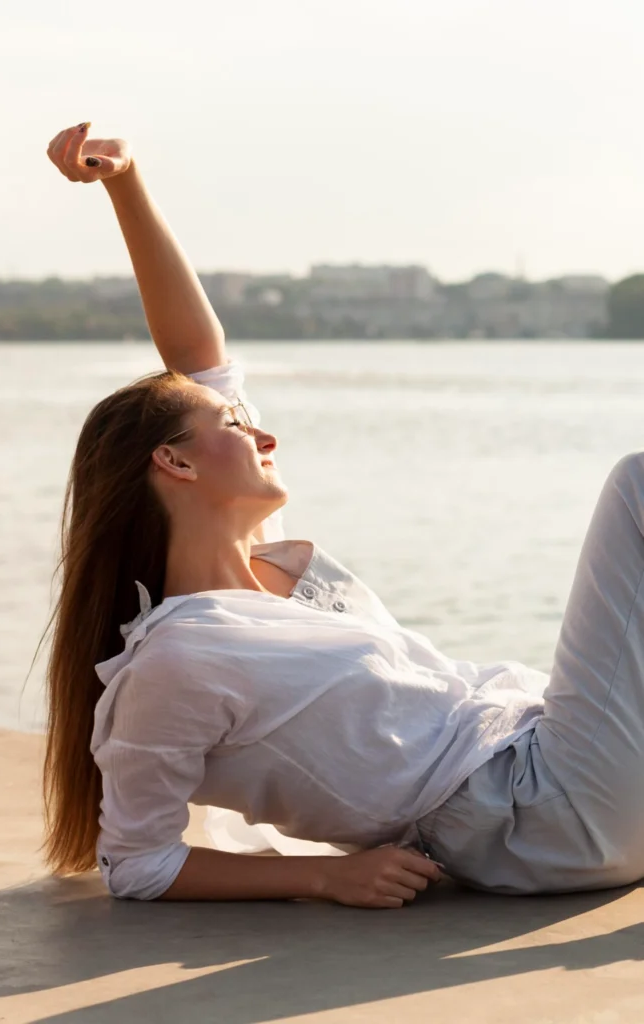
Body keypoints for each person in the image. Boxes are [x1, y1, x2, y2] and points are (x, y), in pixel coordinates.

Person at [42, 121, 644, 907]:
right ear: (175, 463)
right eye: (232, 426)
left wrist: (125, 184)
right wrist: (326, 874)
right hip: (536, 815)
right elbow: (139, 862)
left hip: (544, 757)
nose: (262, 431)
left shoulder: (268, 573)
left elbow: (198, 357)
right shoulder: (175, 661)